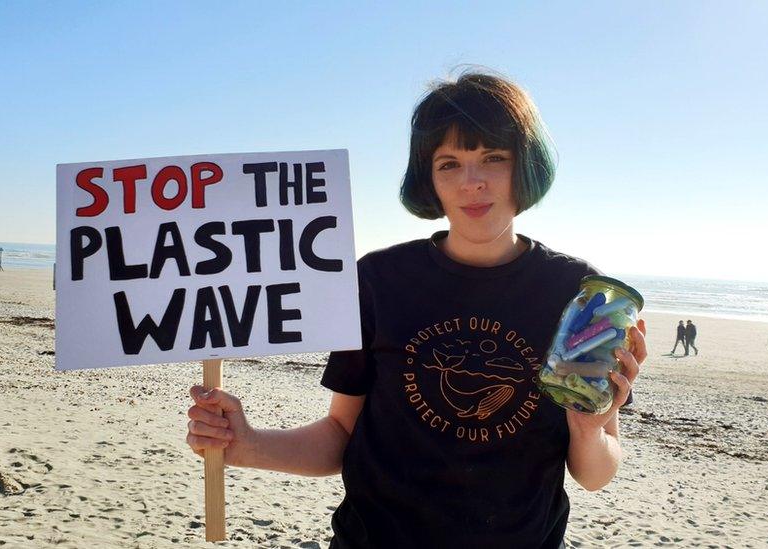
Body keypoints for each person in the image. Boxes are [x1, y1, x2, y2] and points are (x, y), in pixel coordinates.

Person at [185, 72, 647, 549]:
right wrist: (247, 445)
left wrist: (589, 429)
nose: (472, 182)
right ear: (429, 177)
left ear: (526, 165)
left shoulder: (578, 292)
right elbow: (341, 432)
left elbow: (595, 474)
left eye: (494, 157)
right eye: (449, 163)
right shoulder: (378, 280)